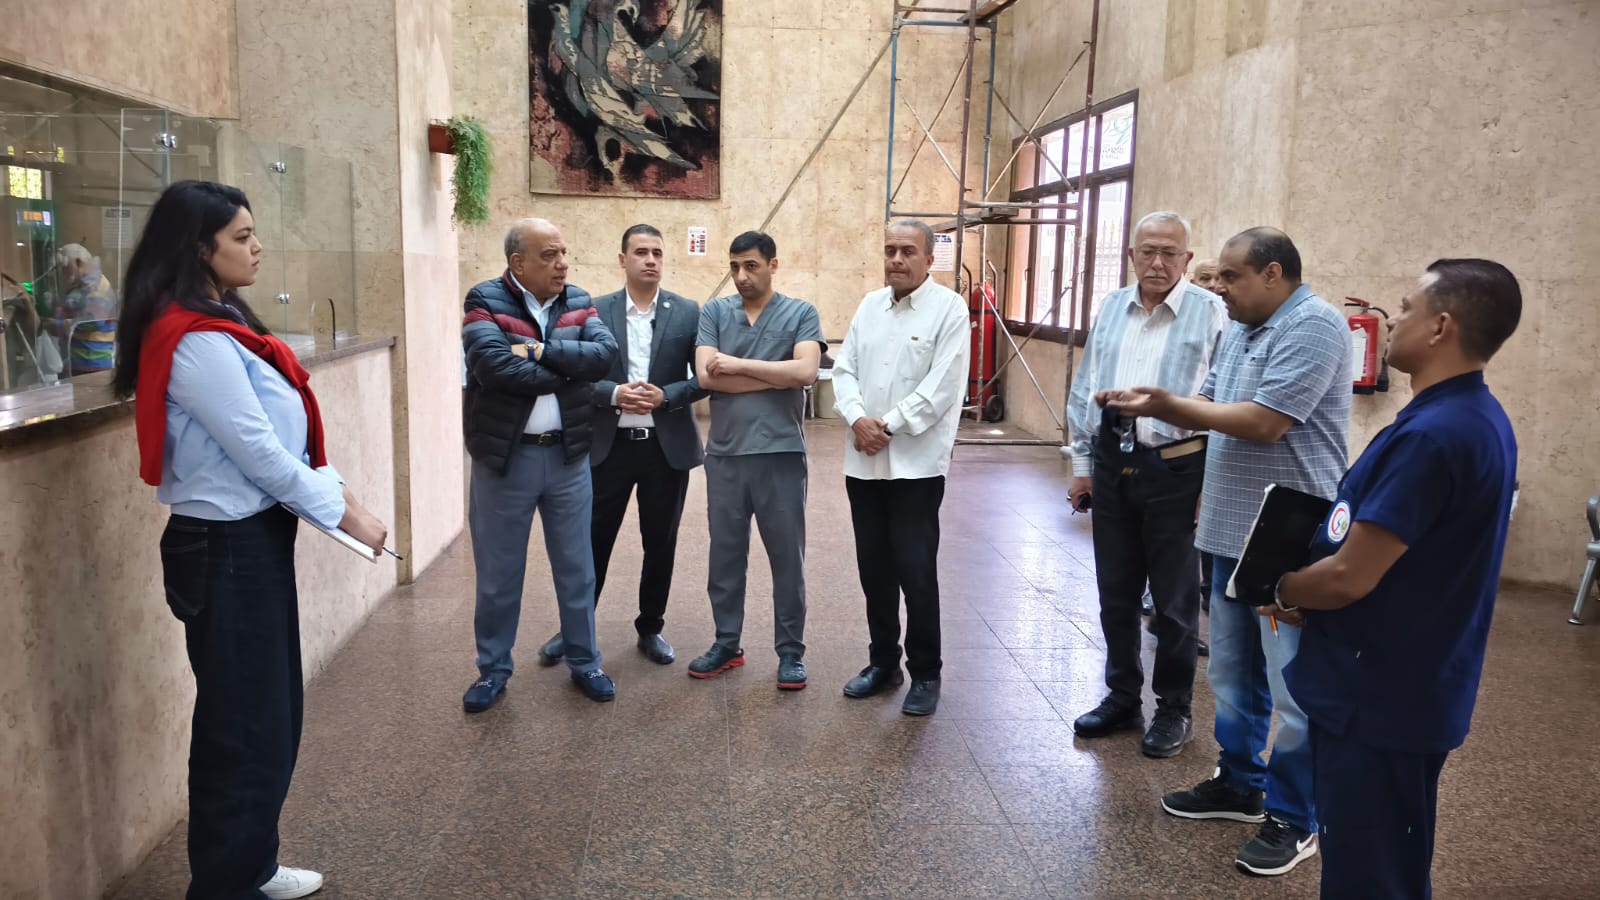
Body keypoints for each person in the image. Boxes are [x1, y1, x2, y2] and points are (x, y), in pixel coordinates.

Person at [113, 180, 388, 900]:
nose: (258, 246)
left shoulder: (222, 321)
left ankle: (247, 867)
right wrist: (345, 514)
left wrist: (336, 494)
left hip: (248, 540)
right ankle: (226, 885)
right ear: (197, 248)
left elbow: (277, 444)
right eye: (241, 236)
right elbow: (260, 452)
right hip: (224, 546)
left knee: (266, 716)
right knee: (244, 728)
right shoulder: (196, 340)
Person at [1270, 260, 1520, 899]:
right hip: (1412, 682)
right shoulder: (1474, 416)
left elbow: (1350, 576)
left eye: (1407, 307)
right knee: (1389, 864)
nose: (1395, 318)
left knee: (1370, 875)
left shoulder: (1434, 435)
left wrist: (1283, 588)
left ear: (1440, 327)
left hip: (1379, 695)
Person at [1108, 227, 1350, 877]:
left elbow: (1265, 421)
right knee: (1233, 675)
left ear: (1272, 273)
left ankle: (1296, 816)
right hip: (1229, 529)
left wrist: (1171, 404)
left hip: (1287, 534)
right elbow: (1212, 402)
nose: (1219, 289)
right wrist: (1155, 405)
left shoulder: (1315, 326)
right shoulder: (1243, 327)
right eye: (1216, 278)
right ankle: (1241, 782)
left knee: (1292, 687)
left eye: (1231, 277)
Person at [1064, 211, 1227, 757]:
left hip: (1179, 467)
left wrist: (1210, 485)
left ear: (1187, 258)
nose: (1157, 263)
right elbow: (1086, 387)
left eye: (1169, 253)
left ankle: (1174, 708)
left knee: (1175, 601)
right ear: (1132, 255)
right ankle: (1122, 697)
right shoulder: (1113, 306)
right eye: (1148, 251)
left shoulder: (1211, 313)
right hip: (1114, 462)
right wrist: (1082, 465)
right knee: (1115, 590)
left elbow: (1224, 399)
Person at [460, 218, 619, 710]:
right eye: (549, 255)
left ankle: (585, 661)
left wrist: (540, 351)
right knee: (499, 573)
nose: (562, 264)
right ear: (518, 263)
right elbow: (494, 366)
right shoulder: (484, 300)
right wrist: (568, 372)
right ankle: (493, 670)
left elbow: (604, 355)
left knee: (577, 569)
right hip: (505, 460)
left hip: (568, 458)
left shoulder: (579, 301)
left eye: (563, 253)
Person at [536, 223, 708, 667]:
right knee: (591, 541)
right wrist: (613, 394)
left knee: (660, 542)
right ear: (622, 259)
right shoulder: (594, 310)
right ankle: (575, 628)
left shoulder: (687, 312)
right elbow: (571, 374)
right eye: (641, 252)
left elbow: (706, 377)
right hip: (606, 448)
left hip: (664, 449)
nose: (650, 260)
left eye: (657, 253)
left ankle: (651, 627)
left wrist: (667, 396)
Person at [831, 220, 970, 716]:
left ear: (929, 259)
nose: (896, 259)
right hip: (863, 463)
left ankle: (926, 673)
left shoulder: (950, 309)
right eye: (890, 250)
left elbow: (942, 388)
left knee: (915, 570)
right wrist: (856, 418)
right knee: (874, 570)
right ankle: (883, 663)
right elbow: (844, 370)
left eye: (907, 251)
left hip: (916, 467)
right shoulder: (870, 305)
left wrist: (884, 425)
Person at [689, 231, 824, 688]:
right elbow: (706, 378)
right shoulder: (715, 312)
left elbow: (806, 371)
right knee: (725, 556)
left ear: (773, 265)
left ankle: (791, 652)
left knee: (787, 559)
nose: (741, 276)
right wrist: (776, 376)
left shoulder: (800, 313)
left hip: (780, 453)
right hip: (726, 454)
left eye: (751, 265)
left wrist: (738, 365)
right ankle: (727, 643)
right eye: (734, 267)